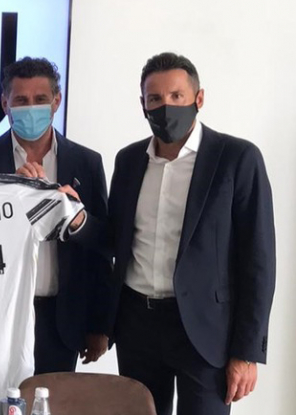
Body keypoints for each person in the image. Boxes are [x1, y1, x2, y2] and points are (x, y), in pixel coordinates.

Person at [74, 52, 275, 415]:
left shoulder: (237, 158)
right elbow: (115, 241)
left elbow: (258, 260)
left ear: (199, 98)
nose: (165, 106)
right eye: (155, 98)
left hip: (205, 330)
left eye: (176, 96)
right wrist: (77, 220)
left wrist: (247, 352)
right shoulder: (129, 160)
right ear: (143, 105)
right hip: (137, 324)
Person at [0, 57, 111, 415]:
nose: (31, 108)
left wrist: (99, 325)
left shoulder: (86, 162)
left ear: (56, 101)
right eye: (21, 100)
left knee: (50, 408)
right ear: (5, 104)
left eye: (40, 99)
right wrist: (13, 196)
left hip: (60, 321)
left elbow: (103, 245)